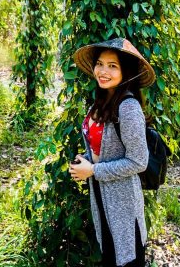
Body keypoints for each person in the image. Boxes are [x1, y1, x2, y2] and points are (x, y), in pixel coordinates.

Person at [68, 37, 155, 267]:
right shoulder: (98, 104)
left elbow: (139, 162)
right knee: (109, 255)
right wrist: (85, 162)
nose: (103, 71)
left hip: (123, 202)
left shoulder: (128, 108)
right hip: (101, 196)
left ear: (125, 72)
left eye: (112, 66)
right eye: (99, 63)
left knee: (127, 258)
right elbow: (100, 148)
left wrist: (93, 170)